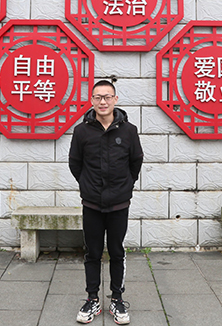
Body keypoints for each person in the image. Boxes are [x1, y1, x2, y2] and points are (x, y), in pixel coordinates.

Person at [69, 80, 144, 325]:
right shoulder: (81, 131)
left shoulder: (129, 130)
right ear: (92, 100)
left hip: (119, 204)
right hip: (91, 203)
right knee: (92, 252)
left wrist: (126, 185)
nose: (103, 102)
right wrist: (86, 185)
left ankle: (117, 299)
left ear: (115, 99)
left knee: (116, 251)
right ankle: (92, 299)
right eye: (98, 97)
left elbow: (136, 161)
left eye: (107, 97)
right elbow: (75, 163)